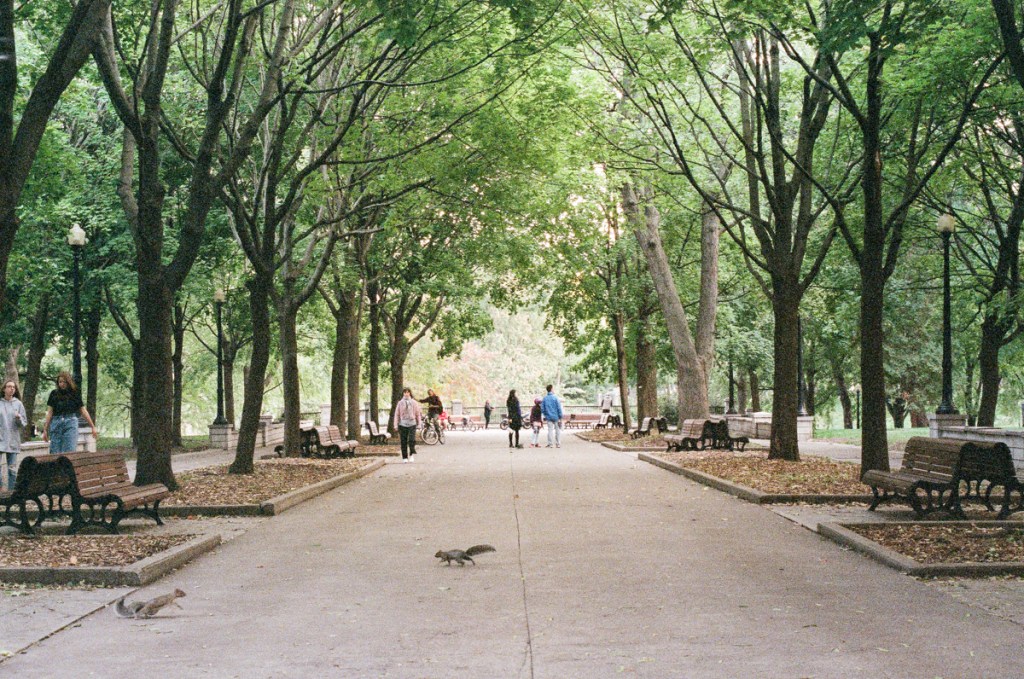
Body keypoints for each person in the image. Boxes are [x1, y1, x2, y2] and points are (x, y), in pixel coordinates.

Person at [42, 371, 97, 454]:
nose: (62, 384)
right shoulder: (54, 394)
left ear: (68, 382)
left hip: (70, 423)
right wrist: (45, 429)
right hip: (56, 423)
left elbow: (83, 410)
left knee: (70, 451)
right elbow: (50, 412)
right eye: (60, 382)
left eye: (64, 382)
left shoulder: (74, 393)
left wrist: (92, 426)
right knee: (55, 452)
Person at [0, 380, 27, 490]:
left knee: (12, 470)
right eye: (9, 386)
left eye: (14, 387)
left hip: (13, 439)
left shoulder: (18, 404)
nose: (12, 389)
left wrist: (18, 418)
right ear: (4, 389)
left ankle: (11, 492)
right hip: (1, 438)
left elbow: (24, 423)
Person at [393, 388, 422, 462]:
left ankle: (411, 454)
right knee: (403, 441)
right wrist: (395, 425)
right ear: (403, 393)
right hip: (403, 424)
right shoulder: (400, 403)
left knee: (412, 440)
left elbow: (418, 414)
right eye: (405, 392)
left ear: (410, 393)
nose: (406, 394)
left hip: (412, 423)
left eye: (408, 392)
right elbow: (397, 414)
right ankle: (404, 457)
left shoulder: (414, 402)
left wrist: (419, 424)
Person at [541, 384, 564, 448]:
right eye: (553, 388)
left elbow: (542, 409)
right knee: (557, 431)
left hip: (549, 417)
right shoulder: (555, 398)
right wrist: (560, 417)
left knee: (550, 430)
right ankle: (558, 443)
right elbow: (559, 408)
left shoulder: (545, 398)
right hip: (556, 417)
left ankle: (550, 444)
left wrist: (546, 414)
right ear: (551, 389)